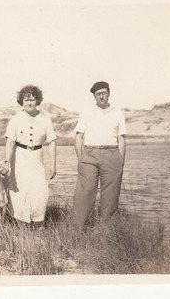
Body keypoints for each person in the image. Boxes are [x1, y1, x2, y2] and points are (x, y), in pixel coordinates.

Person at [71, 81, 126, 230]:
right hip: (89, 155)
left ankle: (106, 232)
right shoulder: (87, 112)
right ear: (94, 96)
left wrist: (120, 161)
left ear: (109, 93)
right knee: (84, 192)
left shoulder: (118, 113)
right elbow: (78, 136)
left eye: (103, 93)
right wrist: (81, 158)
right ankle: (76, 231)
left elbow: (121, 139)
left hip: (112, 154)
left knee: (110, 195)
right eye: (98, 94)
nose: (101, 96)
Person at [4, 85, 57, 225]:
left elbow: (51, 142)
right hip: (20, 157)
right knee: (20, 190)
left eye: (32, 99)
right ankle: (20, 222)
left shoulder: (45, 119)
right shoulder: (15, 119)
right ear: (21, 101)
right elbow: (10, 142)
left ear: (37, 100)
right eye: (26, 100)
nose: (29, 103)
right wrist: (6, 162)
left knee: (39, 191)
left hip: (37, 159)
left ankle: (38, 222)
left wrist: (53, 165)